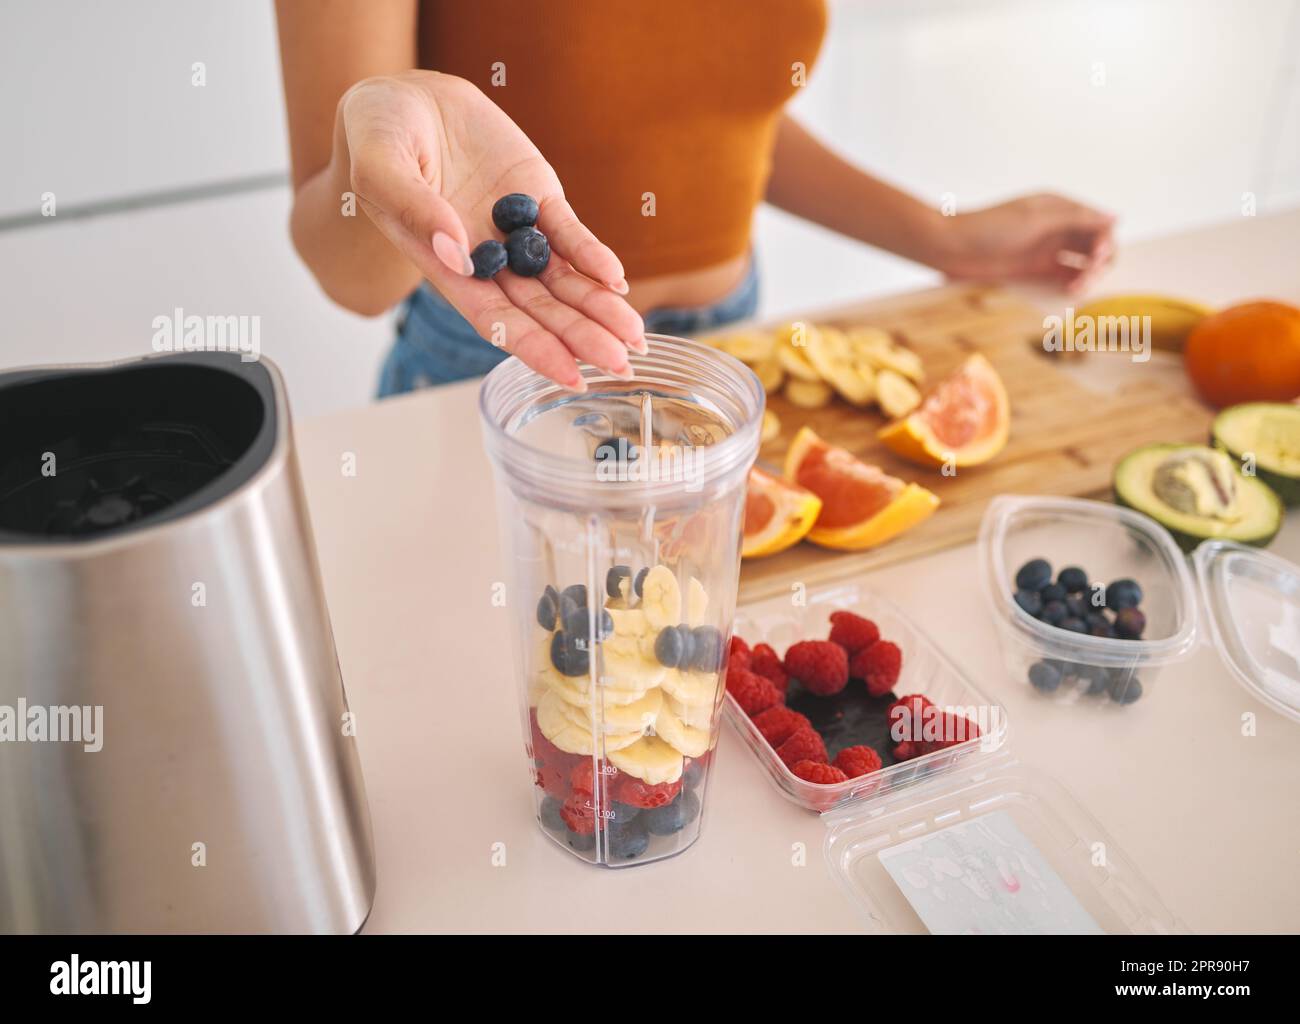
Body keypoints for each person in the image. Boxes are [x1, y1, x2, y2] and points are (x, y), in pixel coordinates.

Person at [276, 0, 1114, 396]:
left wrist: (943, 237)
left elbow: (703, 108)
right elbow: (349, 274)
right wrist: (374, 142)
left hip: (729, 347)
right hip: (497, 360)